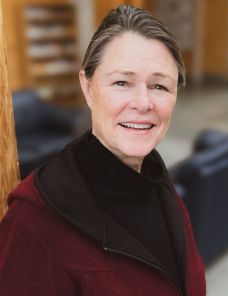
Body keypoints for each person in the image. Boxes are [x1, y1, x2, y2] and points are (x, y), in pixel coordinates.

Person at [0, 5, 205, 295]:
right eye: (122, 82)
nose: (142, 103)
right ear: (88, 87)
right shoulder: (34, 221)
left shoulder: (157, 179)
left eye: (159, 86)